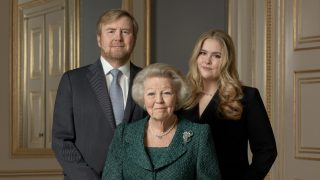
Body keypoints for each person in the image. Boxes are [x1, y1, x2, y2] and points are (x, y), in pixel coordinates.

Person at [51, 9, 145, 180]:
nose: (118, 37)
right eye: (111, 31)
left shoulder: (149, 80)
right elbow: (61, 141)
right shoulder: (73, 81)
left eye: (125, 31)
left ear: (134, 39)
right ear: (99, 39)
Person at [182, 29, 277, 180]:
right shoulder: (182, 98)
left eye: (216, 56)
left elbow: (267, 150)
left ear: (227, 61)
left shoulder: (247, 97)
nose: (207, 61)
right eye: (203, 53)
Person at [102, 63, 221, 180]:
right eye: (151, 94)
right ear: (143, 97)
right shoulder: (123, 135)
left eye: (166, 93)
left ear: (178, 96)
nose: (159, 100)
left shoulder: (199, 136)